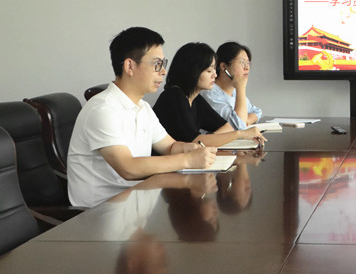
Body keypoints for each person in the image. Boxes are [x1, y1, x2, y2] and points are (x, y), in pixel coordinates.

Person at [67, 27, 217, 208]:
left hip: (136, 202)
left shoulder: (143, 107)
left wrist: (190, 149)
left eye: (163, 64)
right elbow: (128, 168)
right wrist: (188, 160)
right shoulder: (102, 109)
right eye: (156, 64)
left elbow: (169, 147)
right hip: (102, 210)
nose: (163, 71)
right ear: (130, 66)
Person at [152, 42, 265, 147]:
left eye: (214, 70)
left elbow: (227, 127)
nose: (215, 75)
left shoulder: (196, 99)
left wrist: (210, 139)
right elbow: (195, 140)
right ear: (192, 71)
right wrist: (240, 134)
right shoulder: (174, 97)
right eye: (209, 71)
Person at [201, 41, 262, 130]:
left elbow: (257, 111)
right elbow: (238, 126)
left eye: (248, 63)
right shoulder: (210, 93)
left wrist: (246, 121)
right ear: (223, 66)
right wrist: (241, 88)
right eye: (242, 62)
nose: (247, 68)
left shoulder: (234, 91)